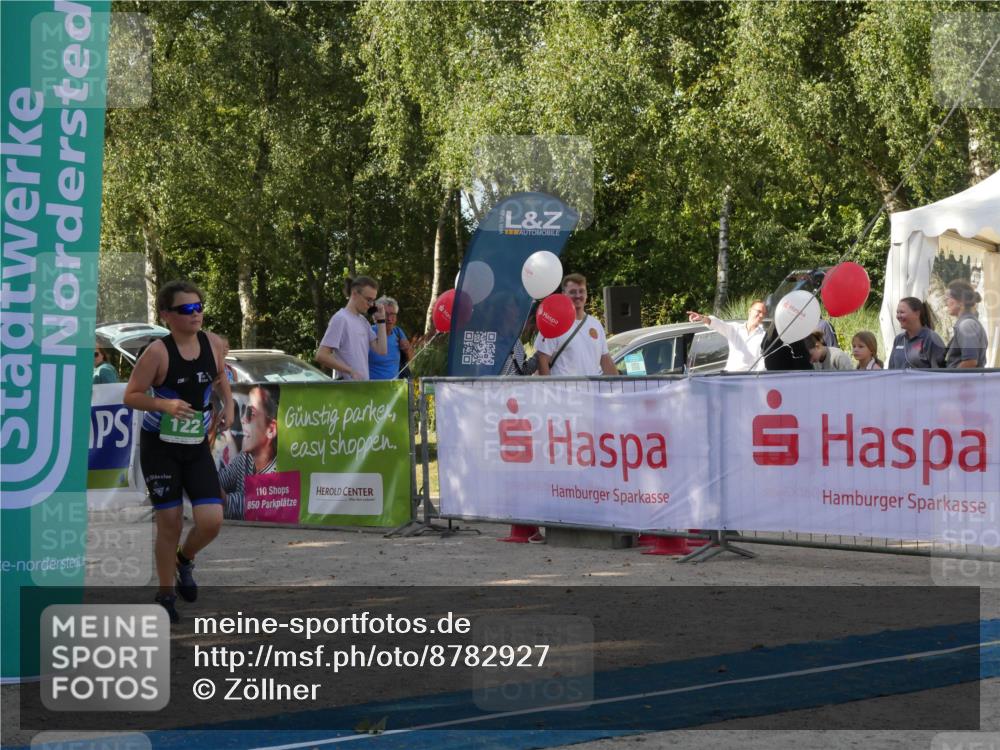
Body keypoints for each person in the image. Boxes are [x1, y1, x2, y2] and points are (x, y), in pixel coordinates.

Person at [123, 280, 233, 623]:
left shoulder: (213, 344)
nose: (196, 314)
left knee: (212, 521)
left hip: (195, 445)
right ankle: (166, 594)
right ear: (167, 315)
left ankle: (185, 558)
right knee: (168, 521)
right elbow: (131, 395)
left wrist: (228, 404)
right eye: (187, 309)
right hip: (160, 448)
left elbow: (219, 377)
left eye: (199, 307)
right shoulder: (157, 352)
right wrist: (164, 404)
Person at [535, 273, 617, 377]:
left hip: (591, 392)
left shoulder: (596, 324)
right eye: (573, 292)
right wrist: (548, 389)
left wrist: (619, 387)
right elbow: (542, 359)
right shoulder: (553, 323)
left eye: (581, 291)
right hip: (564, 392)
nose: (578, 296)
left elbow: (605, 360)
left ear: (586, 294)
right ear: (564, 294)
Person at [220, 384, 279, 520]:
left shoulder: (278, 471)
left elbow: (228, 504)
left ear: (271, 429)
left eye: (251, 413)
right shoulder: (245, 458)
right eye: (243, 411)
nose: (243, 419)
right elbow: (220, 480)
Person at [316, 276, 387, 381]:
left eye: (373, 300)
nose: (371, 305)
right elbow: (321, 355)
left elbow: (382, 350)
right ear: (354, 294)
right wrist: (350, 371)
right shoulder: (340, 319)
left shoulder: (363, 321)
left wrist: (381, 321)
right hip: (346, 389)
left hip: (361, 388)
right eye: (368, 299)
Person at [687, 300, 767, 372]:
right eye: (759, 311)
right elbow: (718, 324)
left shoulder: (763, 336)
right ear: (750, 311)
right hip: (730, 378)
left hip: (749, 381)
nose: (761, 315)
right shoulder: (735, 329)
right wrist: (702, 318)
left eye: (763, 313)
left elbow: (762, 362)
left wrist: (755, 379)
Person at [887, 297, 946, 369]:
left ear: (917, 314)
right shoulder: (899, 339)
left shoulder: (931, 339)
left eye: (902, 312)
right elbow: (891, 369)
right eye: (897, 312)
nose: (898, 316)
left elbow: (940, 373)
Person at [943, 279, 988, 369]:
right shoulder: (966, 324)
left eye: (947, 298)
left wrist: (951, 379)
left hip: (964, 382)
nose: (946, 303)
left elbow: (970, 362)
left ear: (960, 302)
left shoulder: (966, 325)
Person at [368, 296, 412, 379]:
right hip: (372, 387)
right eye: (385, 314)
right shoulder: (370, 333)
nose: (389, 319)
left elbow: (410, 359)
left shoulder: (398, 332)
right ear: (377, 315)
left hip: (394, 389)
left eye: (392, 314)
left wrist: (407, 350)